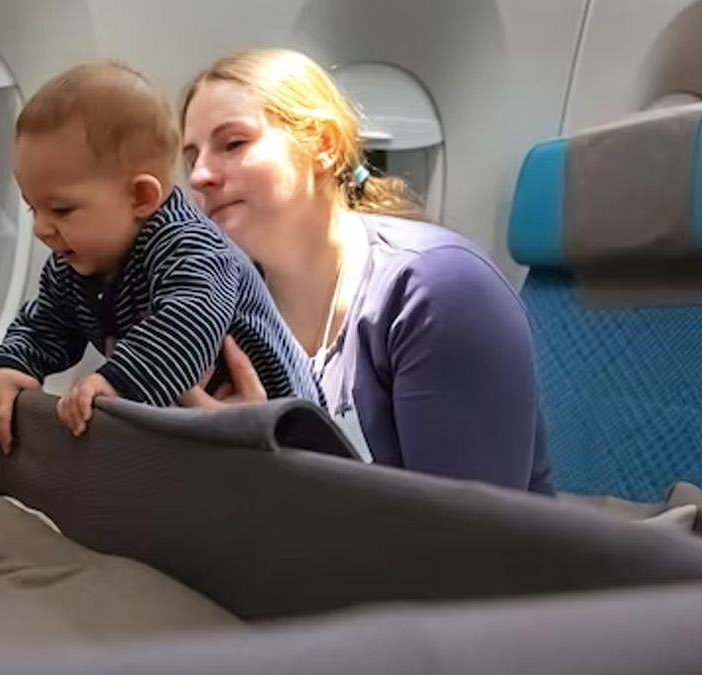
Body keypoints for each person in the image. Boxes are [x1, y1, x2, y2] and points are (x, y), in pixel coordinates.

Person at [178, 48, 554, 495]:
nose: (199, 176)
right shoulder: (225, 312)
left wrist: (261, 459)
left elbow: (467, 547)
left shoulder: (437, 293)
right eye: (191, 157)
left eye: (233, 143)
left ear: (323, 145)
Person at [0, 60, 322, 454]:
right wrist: (8, 365)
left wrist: (117, 380)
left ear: (140, 198)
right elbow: (45, 324)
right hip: (214, 428)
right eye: (34, 209)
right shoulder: (75, 265)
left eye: (61, 210)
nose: (40, 229)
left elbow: (187, 321)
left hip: (294, 439)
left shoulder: (193, 248)